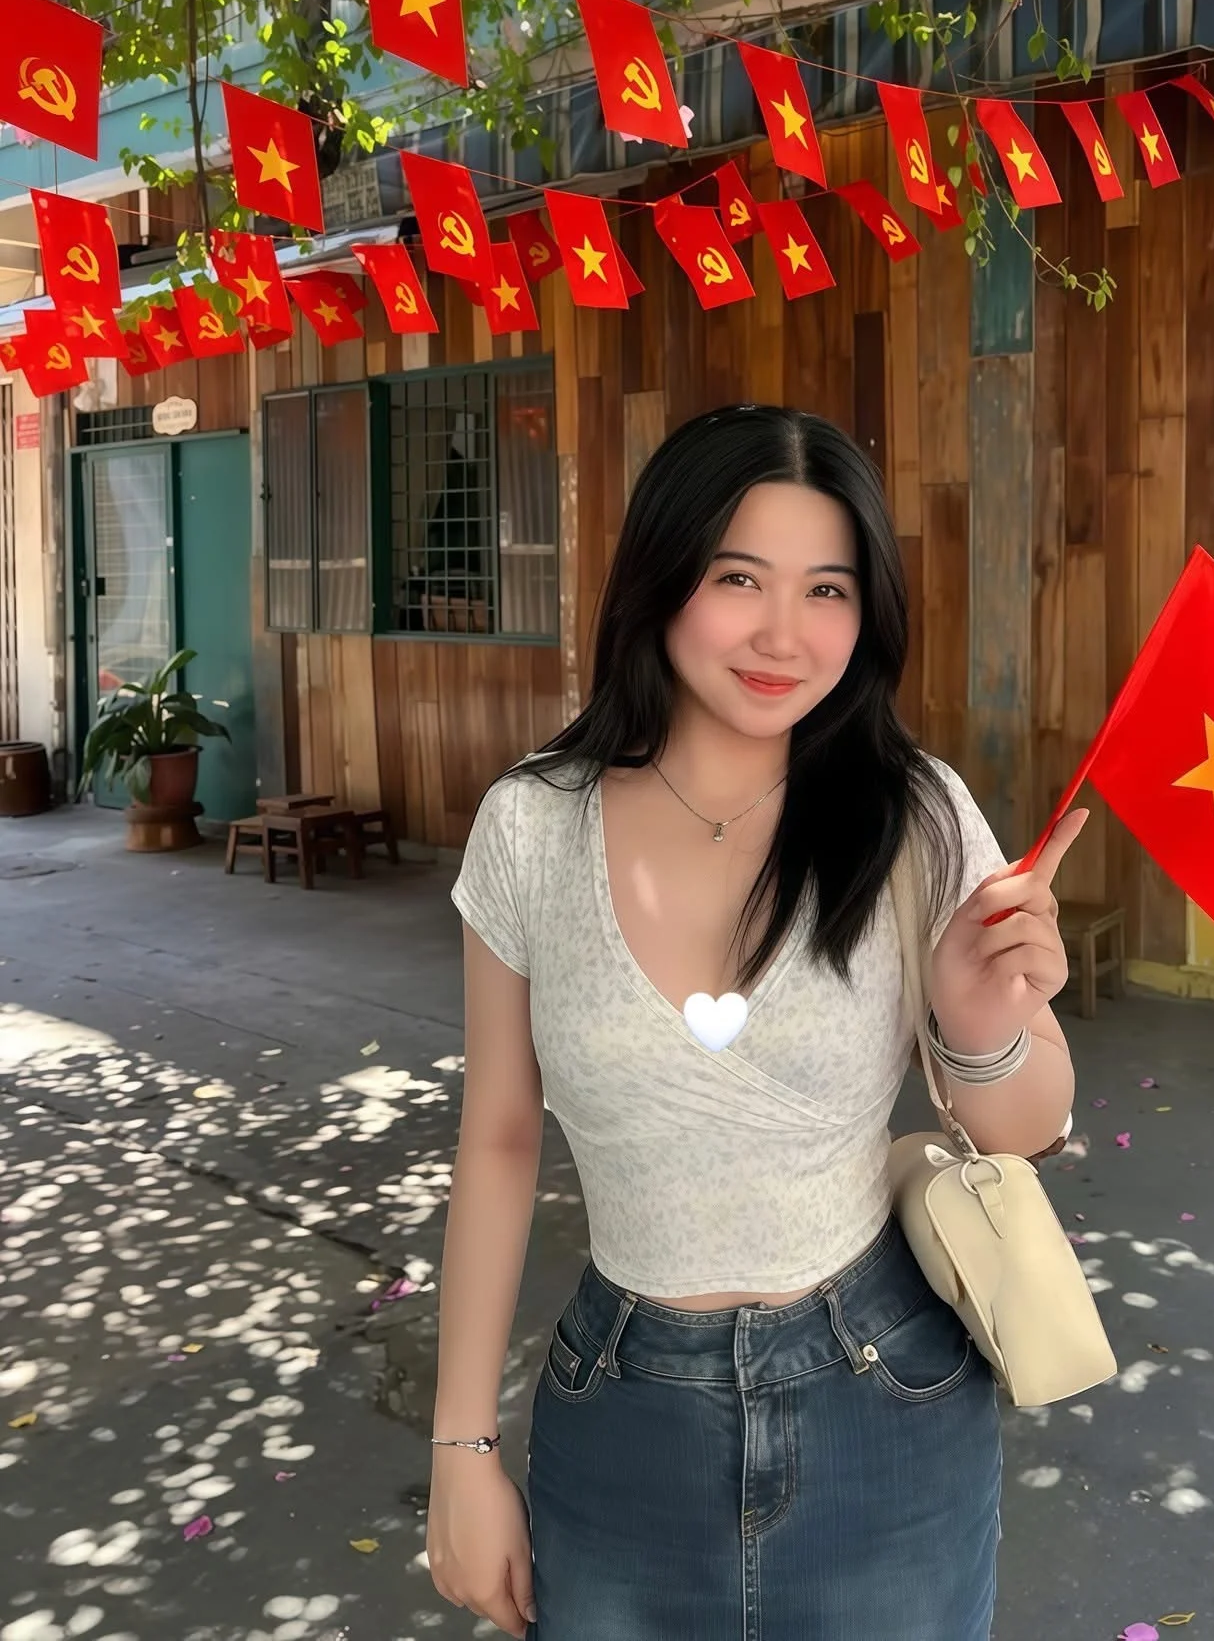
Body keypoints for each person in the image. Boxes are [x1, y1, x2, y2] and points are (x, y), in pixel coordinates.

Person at [426, 403, 1087, 1639]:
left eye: (826, 588)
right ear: (662, 575)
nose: (784, 633)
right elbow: (500, 1137)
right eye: (739, 577)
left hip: (882, 1392)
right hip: (621, 1411)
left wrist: (975, 1020)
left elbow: (1025, 1125)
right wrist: (460, 1447)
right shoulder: (531, 824)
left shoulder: (914, 815)